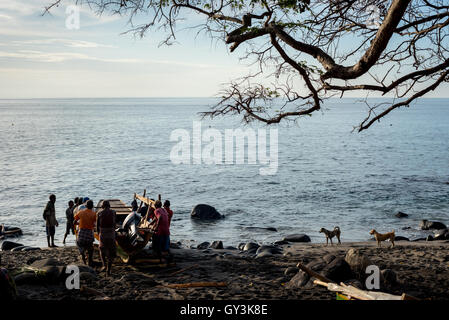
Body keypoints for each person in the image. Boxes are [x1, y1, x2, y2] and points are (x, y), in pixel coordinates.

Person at [96, 201, 116, 275]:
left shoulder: (99, 213)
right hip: (111, 233)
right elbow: (114, 223)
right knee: (111, 251)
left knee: (101, 249)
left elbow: (97, 226)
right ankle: (109, 269)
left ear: (102, 206)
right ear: (109, 206)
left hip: (103, 233)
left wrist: (99, 234)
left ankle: (104, 265)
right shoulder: (113, 212)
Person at [74, 200, 96, 266]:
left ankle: (83, 259)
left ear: (86, 206)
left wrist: (79, 223)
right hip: (89, 233)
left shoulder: (81, 212)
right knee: (90, 249)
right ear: (92, 207)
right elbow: (95, 224)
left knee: (80, 245)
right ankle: (89, 262)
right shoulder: (94, 214)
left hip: (81, 233)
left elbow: (74, 222)